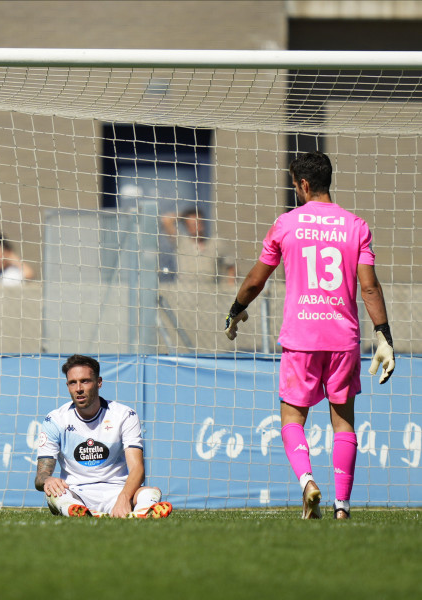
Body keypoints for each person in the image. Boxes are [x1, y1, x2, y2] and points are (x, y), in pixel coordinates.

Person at [224, 151, 395, 520]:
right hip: (343, 338)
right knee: (344, 421)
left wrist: (235, 310)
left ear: (302, 184)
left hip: (301, 337)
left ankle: (306, 482)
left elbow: (257, 279)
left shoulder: (286, 224)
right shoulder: (356, 226)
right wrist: (384, 336)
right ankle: (343, 507)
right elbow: (369, 288)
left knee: (291, 419)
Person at [34, 354, 173, 518]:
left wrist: (124, 498)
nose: (79, 388)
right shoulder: (55, 419)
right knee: (54, 494)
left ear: (99, 382)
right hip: (76, 493)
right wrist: (47, 480)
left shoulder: (124, 415)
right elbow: (40, 477)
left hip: (117, 491)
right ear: (67, 386)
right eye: (73, 382)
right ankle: (79, 511)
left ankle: (141, 512)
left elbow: (137, 468)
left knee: (151, 492)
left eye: (85, 381)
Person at [162, 206, 236, 284]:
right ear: (187, 226)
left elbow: (231, 265)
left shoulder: (215, 243)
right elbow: (166, 220)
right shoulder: (181, 242)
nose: (197, 227)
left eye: (199, 223)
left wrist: (229, 287)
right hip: (185, 291)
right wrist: (183, 216)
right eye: (193, 224)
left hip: (209, 291)